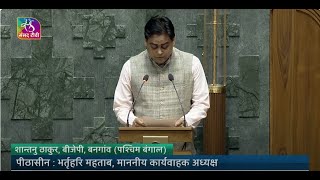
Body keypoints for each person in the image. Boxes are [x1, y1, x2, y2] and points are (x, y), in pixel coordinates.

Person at [113, 16, 210, 153]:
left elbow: (201, 103)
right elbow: (121, 105)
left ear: (173, 41)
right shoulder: (130, 66)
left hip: (181, 151)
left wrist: (187, 120)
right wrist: (132, 120)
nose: (159, 52)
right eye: (154, 46)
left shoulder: (192, 63)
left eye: (165, 46)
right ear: (145, 42)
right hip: (141, 153)